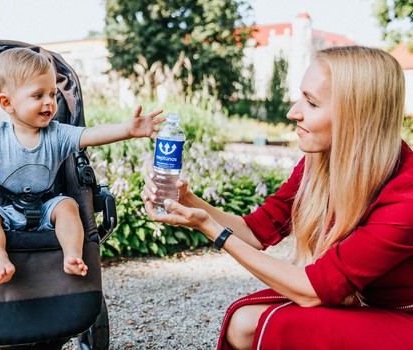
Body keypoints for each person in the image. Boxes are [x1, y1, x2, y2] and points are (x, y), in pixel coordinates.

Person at [142, 45, 413, 349]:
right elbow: (256, 231)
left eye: (310, 103)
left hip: (403, 320)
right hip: (366, 307)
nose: (292, 112)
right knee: (243, 321)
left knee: (259, 325)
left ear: (357, 115)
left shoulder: (407, 194)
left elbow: (313, 290)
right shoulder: (319, 162)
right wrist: (185, 200)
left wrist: (213, 231)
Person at [0, 47, 164, 287]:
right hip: (2, 208)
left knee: (68, 205)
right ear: (7, 103)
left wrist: (128, 130)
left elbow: (91, 134)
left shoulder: (57, 133)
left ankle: (72, 255)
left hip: (43, 206)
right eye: (38, 95)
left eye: (52, 94)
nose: (49, 102)